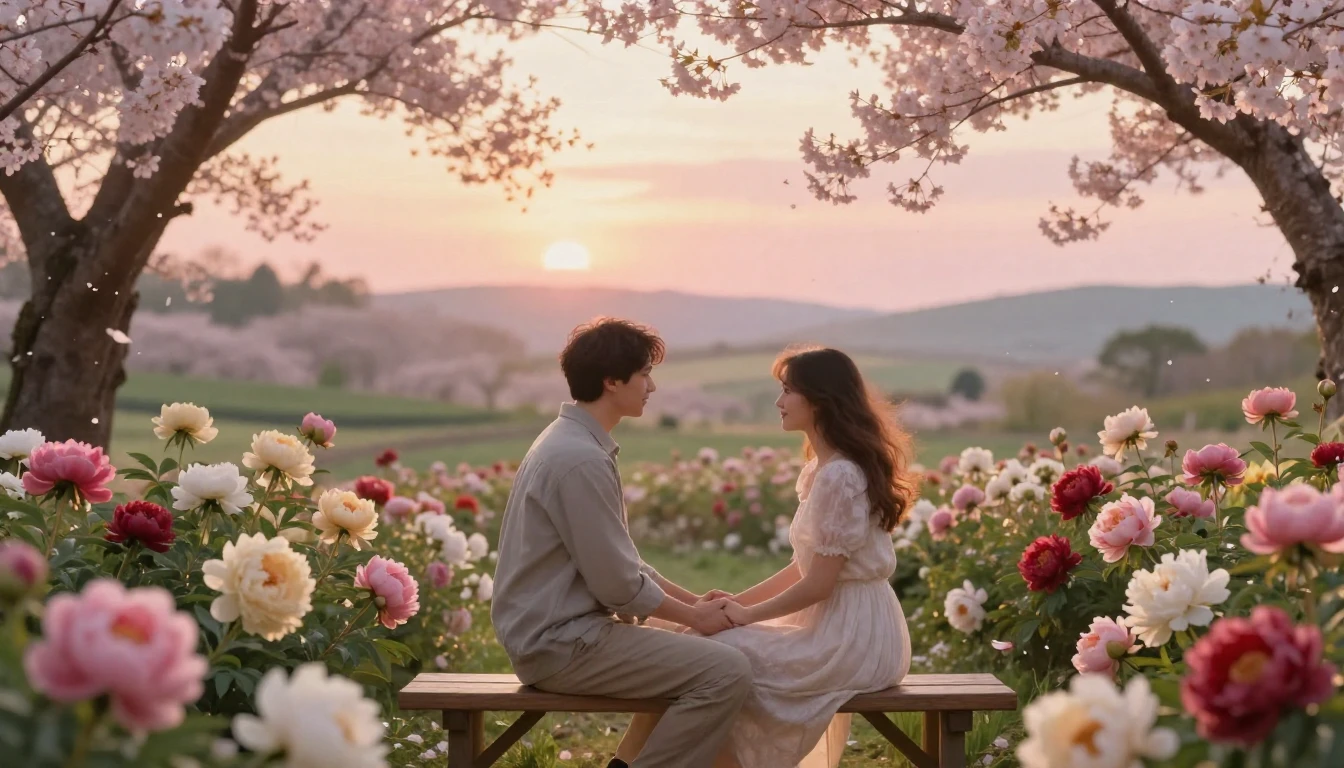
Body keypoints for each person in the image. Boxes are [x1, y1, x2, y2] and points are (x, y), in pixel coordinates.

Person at [615, 345, 917, 768]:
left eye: (788, 390)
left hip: (854, 635)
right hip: (829, 622)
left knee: (708, 655)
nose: (779, 402)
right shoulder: (820, 469)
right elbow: (801, 567)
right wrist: (739, 602)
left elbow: (819, 584)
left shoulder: (842, 475)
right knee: (691, 643)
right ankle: (630, 762)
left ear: (820, 399)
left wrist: (745, 617)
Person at [490, 317, 754, 768]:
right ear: (612, 381)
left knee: (703, 646)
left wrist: (695, 606)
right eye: (644, 374)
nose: (651, 387)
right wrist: (693, 615)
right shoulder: (578, 459)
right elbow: (617, 585)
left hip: (562, 635)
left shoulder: (572, 443)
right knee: (726, 672)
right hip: (560, 644)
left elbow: (622, 563)